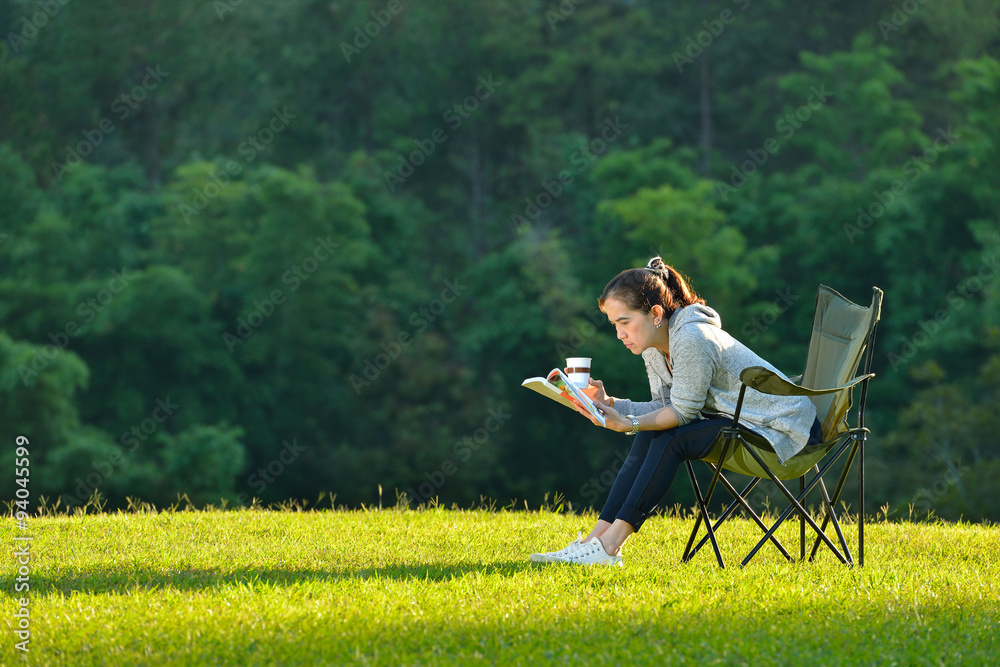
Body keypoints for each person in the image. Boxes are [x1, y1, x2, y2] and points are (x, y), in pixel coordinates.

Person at [530, 257, 822, 567]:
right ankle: (594, 543)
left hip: (786, 436)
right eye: (614, 325)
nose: (619, 334)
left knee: (671, 440)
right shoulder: (657, 346)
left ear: (655, 314)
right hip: (742, 426)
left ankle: (610, 546)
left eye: (624, 322)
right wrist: (610, 404)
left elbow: (681, 413)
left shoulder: (692, 338)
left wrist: (627, 424)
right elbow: (664, 408)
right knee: (653, 432)